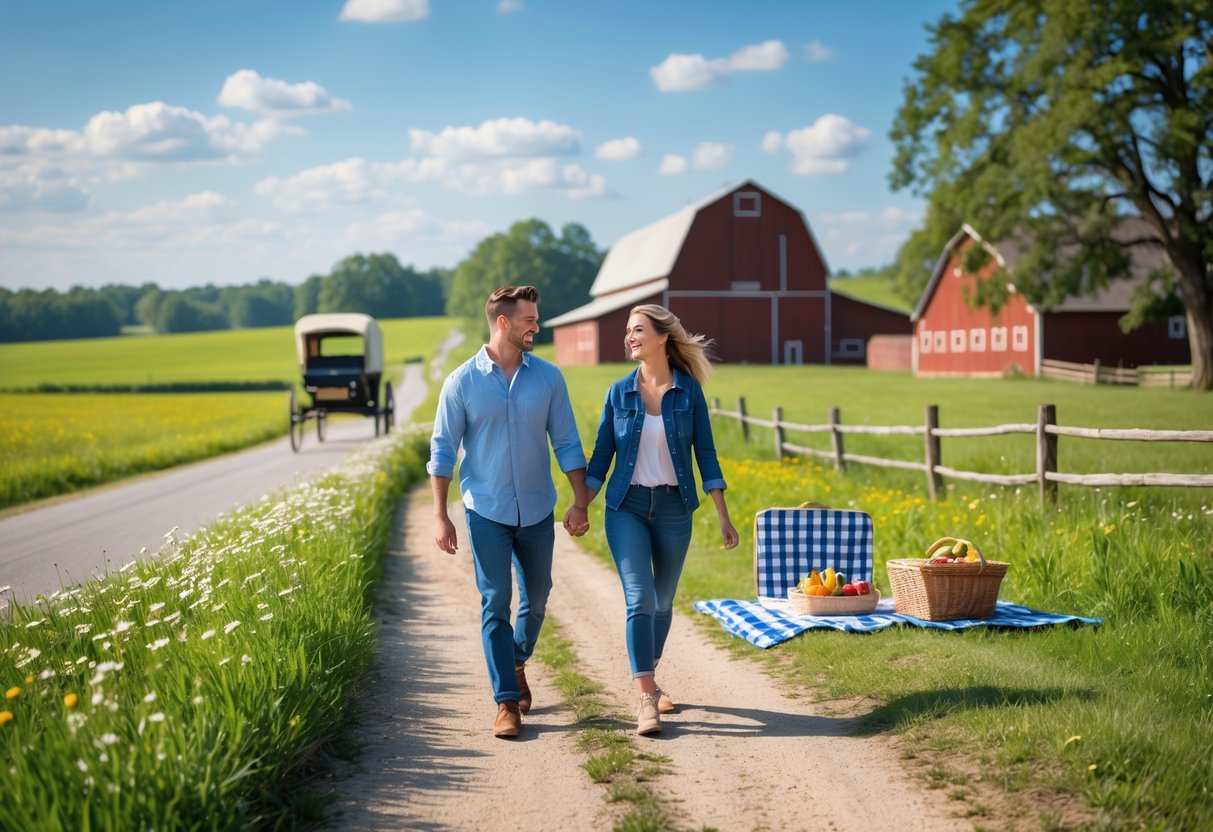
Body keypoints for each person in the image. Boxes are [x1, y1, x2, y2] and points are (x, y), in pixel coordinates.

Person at [429, 285, 591, 739]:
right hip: (486, 510)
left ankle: (515, 659)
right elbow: (442, 450)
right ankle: (505, 703)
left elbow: (567, 441)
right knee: (495, 599)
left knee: (537, 597)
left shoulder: (548, 378)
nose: (537, 327)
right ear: (503, 322)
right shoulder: (461, 381)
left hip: (538, 508)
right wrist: (440, 514)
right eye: (529, 320)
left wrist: (580, 501)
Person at [571, 304, 739, 736]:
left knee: (663, 603)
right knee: (639, 598)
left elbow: (706, 455)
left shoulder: (689, 393)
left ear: (663, 337)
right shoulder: (618, 393)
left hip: (673, 509)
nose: (629, 336)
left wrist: (723, 516)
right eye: (627, 330)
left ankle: (650, 672)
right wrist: (580, 504)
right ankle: (646, 699)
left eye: (638, 330)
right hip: (625, 507)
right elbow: (600, 460)